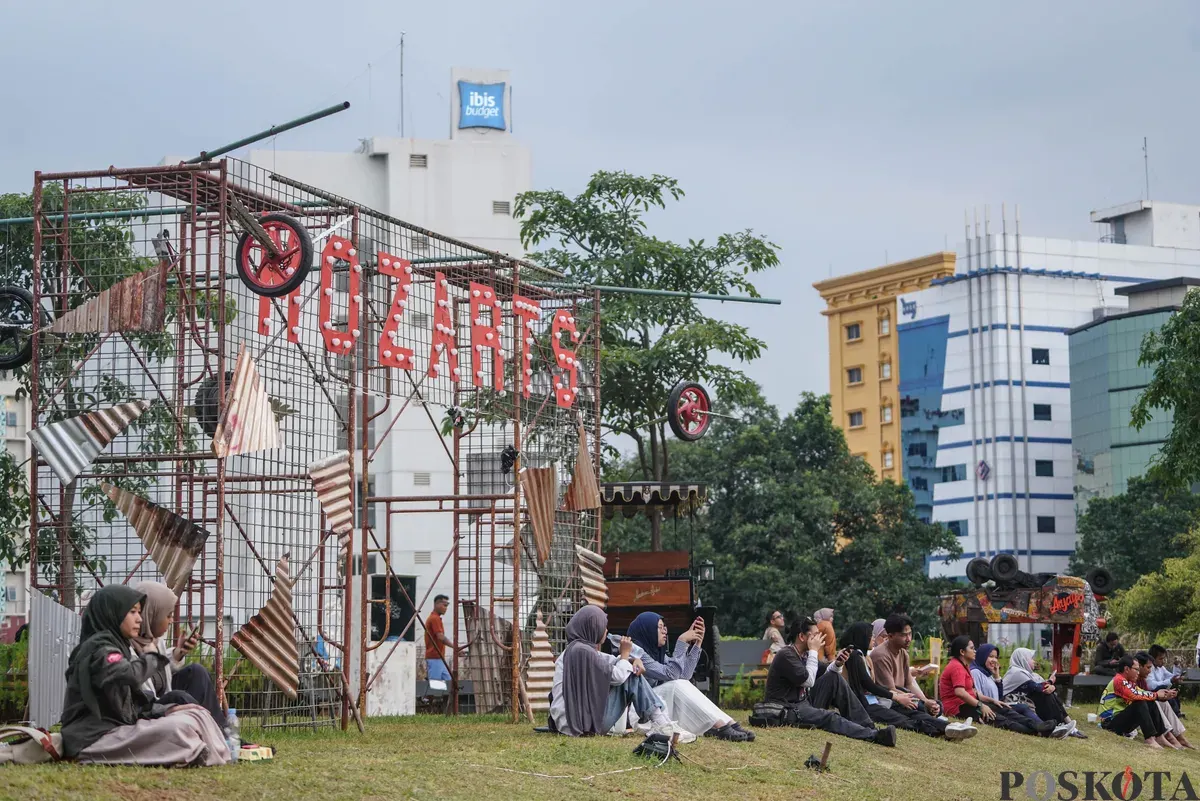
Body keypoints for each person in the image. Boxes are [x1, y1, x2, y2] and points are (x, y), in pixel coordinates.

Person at [60, 584, 229, 766]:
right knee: (180, 729)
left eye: (140, 613)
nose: (139, 619)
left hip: (116, 729)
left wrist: (166, 709)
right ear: (113, 613)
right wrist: (152, 656)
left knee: (195, 714)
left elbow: (134, 702)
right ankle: (197, 750)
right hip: (92, 738)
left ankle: (223, 745)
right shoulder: (101, 650)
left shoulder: (116, 645)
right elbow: (130, 674)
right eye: (132, 612)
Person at [761, 616, 897, 746]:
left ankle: (869, 726)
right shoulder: (786, 655)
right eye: (815, 635)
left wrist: (838, 663)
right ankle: (873, 736)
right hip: (787, 708)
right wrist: (814, 651)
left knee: (834, 677)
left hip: (803, 702)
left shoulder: (804, 654)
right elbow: (808, 681)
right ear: (802, 637)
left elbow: (826, 672)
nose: (819, 639)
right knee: (830, 717)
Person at [549, 605, 673, 737]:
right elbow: (618, 676)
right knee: (630, 677)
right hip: (580, 725)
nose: (606, 630)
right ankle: (661, 722)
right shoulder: (582, 651)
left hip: (573, 723)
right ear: (592, 626)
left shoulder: (576, 650)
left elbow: (609, 661)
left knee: (628, 671)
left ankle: (663, 722)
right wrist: (625, 654)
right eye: (602, 625)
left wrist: (632, 660)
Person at [626, 612, 752, 742]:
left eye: (665, 627)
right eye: (660, 627)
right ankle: (717, 725)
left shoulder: (657, 654)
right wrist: (681, 642)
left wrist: (697, 644)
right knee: (675, 685)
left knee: (679, 683)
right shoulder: (636, 652)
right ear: (647, 629)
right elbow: (672, 674)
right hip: (638, 713)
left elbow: (684, 676)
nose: (665, 631)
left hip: (655, 708)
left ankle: (728, 722)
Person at [840, 622, 975, 741]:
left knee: (914, 711)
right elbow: (868, 685)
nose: (874, 638)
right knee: (903, 719)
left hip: (876, 701)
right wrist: (896, 696)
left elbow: (903, 683)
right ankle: (943, 732)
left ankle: (949, 727)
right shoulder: (854, 656)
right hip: (865, 706)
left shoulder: (863, 656)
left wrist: (909, 697)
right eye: (870, 635)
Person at [129, 581, 225, 730]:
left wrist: (177, 653)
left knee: (196, 672)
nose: (171, 620)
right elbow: (145, 700)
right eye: (168, 615)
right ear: (152, 614)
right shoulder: (128, 649)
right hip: (145, 714)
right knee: (178, 697)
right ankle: (216, 735)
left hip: (159, 702)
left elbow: (159, 672)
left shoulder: (153, 641)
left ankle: (224, 732)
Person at [940, 636, 1065, 737]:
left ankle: (1040, 726)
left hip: (970, 704)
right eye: (972, 648)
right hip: (958, 708)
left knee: (1005, 710)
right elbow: (960, 692)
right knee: (1000, 719)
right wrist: (981, 705)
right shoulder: (957, 667)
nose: (975, 651)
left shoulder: (965, 666)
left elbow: (974, 692)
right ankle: (1038, 731)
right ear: (962, 652)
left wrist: (992, 701)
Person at [1099, 656, 1182, 750]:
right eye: (1136, 670)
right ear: (1126, 669)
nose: (1138, 673)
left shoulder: (1129, 682)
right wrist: (1156, 695)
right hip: (1109, 724)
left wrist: (1163, 694)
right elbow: (1134, 695)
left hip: (1119, 720)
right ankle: (1149, 739)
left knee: (1149, 701)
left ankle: (1159, 737)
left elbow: (1143, 692)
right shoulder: (1119, 680)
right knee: (1140, 702)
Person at [869, 614, 943, 720]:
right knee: (920, 709)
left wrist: (926, 701)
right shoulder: (880, 655)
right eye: (904, 635)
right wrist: (921, 702)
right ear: (890, 636)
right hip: (890, 699)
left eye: (910, 634)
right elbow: (891, 690)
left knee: (937, 705)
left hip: (903, 694)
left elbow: (909, 683)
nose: (908, 639)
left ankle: (930, 710)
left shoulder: (903, 653)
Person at [1001, 647, 1081, 737]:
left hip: (1021, 701)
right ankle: (1061, 724)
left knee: (1048, 694)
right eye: (1031, 658)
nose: (1034, 661)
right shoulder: (1016, 672)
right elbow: (1038, 688)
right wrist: (1050, 683)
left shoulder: (1025, 672)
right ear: (1023, 659)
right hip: (1010, 704)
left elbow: (1040, 686)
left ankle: (1067, 723)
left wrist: (1050, 685)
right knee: (1044, 694)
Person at [1135, 652, 1192, 749]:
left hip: (1143, 705)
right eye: (1148, 668)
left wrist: (1165, 693)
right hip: (1137, 713)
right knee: (1154, 701)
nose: (1149, 671)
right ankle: (1166, 736)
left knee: (1162, 702)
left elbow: (1146, 693)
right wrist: (1158, 694)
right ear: (1139, 666)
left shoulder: (1144, 677)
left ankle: (1177, 736)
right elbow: (1146, 691)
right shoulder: (1132, 678)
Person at [1146, 644, 1185, 719]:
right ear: (1152, 659)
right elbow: (1150, 685)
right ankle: (1176, 712)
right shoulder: (1149, 668)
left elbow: (1170, 676)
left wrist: (1176, 677)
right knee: (1164, 687)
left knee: (1173, 685)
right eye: (1160, 659)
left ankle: (1177, 711)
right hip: (1151, 692)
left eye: (1164, 659)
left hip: (1158, 690)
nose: (1163, 661)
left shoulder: (1161, 668)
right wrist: (1170, 681)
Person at [424, 595, 456, 682]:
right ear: (437, 604)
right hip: (434, 658)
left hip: (439, 658)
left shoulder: (436, 618)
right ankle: (427, 696)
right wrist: (455, 648)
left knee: (449, 683)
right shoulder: (434, 619)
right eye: (444, 605)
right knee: (435, 686)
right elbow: (440, 637)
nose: (446, 608)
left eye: (447, 606)